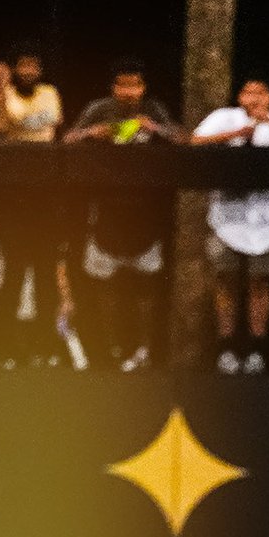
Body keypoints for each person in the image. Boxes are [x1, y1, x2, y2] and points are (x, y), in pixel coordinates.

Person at [63, 61, 184, 371]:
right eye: (123, 85)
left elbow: (183, 139)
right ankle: (111, 349)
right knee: (106, 288)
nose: (129, 92)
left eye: (135, 85)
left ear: (143, 88)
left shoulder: (153, 109)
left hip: (145, 217)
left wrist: (155, 129)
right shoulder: (99, 109)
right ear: (113, 88)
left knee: (145, 288)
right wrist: (93, 132)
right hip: (106, 214)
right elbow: (68, 140)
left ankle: (142, 350)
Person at [192, 78, 269, 374]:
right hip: (227, 217)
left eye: (260, 93)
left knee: (260, 282)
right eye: (248, 92)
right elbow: (196, 142)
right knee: (225, 281)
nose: (254, 98)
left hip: (265, 221)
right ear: (240, 97)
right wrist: (237, 133)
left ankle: (257, 349)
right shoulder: (224, 118)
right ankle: (226, 347)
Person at [0, 50, 66, 368]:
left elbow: (42, 121)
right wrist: (4, 88)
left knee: (45, 273)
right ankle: (3, 349)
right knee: (13, 272)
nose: (28, 71)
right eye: (22, 65)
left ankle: (45, 349)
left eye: (33, 65)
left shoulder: (49, 93)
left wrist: (15, 124)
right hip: (11, 200)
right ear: (14, 69)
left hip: (44, 198)